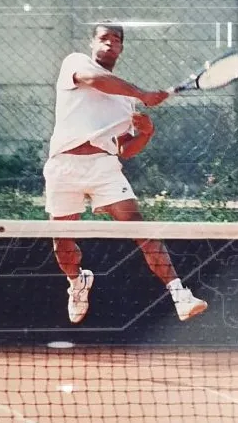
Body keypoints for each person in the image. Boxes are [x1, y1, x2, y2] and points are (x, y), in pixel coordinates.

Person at [44, 21, 208, 325]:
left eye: (116, 40)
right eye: (104, 39)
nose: (109, 44)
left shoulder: (127, 101)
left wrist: (146, 133)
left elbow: (124, 150)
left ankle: (179, 294)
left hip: (104, 167)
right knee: (62, 242)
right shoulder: (76, 63)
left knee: (139, 228)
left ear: (121, 48)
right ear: (92, 43)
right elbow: (96, 79)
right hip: (64, 166)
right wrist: (144, 93)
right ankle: (77, 282)